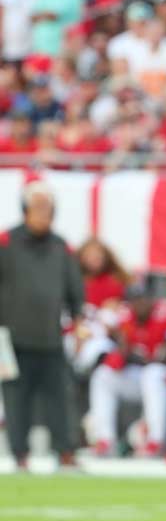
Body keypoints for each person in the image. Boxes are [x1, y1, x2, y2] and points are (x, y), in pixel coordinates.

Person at [0, 181, 84, 470]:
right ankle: (19, 455)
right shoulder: (6, 242)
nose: (42, 214)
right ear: (25, 209)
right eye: (37, 207)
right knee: (15, 397)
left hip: (50, 335)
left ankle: (65, 452)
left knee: (59, 397)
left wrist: (79, 320)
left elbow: (74, 289)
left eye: (47, 208)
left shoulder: (61, 246)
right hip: (9, 336)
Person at [88, 283, 166, 457]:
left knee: (153, 373)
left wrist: (147, 358)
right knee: (102, 376)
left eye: (143, 299)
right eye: (135, 301)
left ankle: (156, 441)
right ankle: (105, 440)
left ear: (152, 299)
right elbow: (122, 352)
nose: (139, 305)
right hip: (142, 377)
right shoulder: (126, 318)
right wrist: (124, 347)